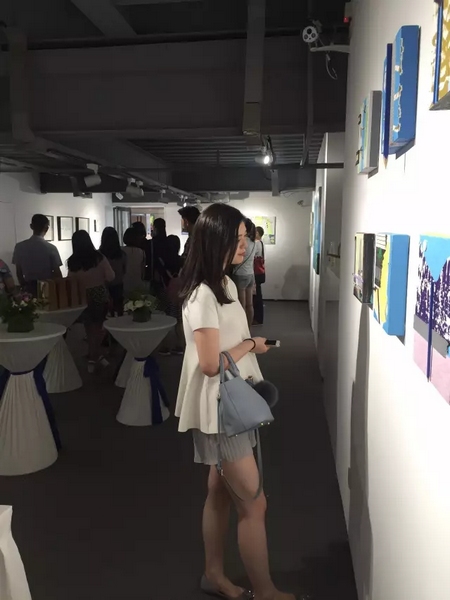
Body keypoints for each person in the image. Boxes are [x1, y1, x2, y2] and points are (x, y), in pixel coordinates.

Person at [176, 204, 294, 600]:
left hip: (228, 403)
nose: (244, 246)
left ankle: (214, 575)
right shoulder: (202, 295)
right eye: (237, 239)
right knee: (254, 505)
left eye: (245, 238)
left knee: (219, 493)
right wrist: (251, 345)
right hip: (220, 409)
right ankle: (265, 591)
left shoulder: (222, 284)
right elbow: (210, 364)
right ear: (215, 241)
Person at [67, 230, 115, 372]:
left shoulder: (73, 261)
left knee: (88, 327)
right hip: (99, 294)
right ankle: (94, 357)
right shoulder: (99, 257)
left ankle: (93, 355)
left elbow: (71, 281)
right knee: (98, 326)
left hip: (82, 296)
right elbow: (111, 276)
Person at [12, 214, 63, 296]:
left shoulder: (19, 247)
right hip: (47, 287)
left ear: (31, 226)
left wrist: (24, 286)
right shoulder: (51, 248)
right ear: (46, 228)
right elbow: (57, 273)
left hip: (28, 286)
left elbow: (19, 272)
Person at [158, 234, 184, 355]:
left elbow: (158, 277)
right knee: (179, 320)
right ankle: (180, 345)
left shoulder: (161, 261)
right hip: (180, 294)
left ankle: (166, 347)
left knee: (166, 320)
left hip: (165, 292)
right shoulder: (182, 261)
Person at [231, 218, 257, 327]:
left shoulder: (241, 241)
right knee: (249, 305)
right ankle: (249, 327)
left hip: (240, 274)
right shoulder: (254, 242)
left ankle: (243, 328)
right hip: (250, 274)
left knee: (242, 305)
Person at [99, 227, 127, 316]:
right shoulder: (122, 254)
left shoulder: (99, 255)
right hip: (118, 285)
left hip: (104, 286)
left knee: (105, 313)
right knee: (119, 310)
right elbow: (124, 270)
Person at [122, 227, 146, 296]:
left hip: (124, 285)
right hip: (138, 285)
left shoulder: (121, 251)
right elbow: (143, 272)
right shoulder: (141, 252)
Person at [253, 226, 265, 326]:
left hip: (255, 273)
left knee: (256, 296)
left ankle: (257, 318)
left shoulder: (256, 244)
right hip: (260, 273)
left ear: (257, 233)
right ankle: (258, 317)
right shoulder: (261, 243)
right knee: (258, 295)